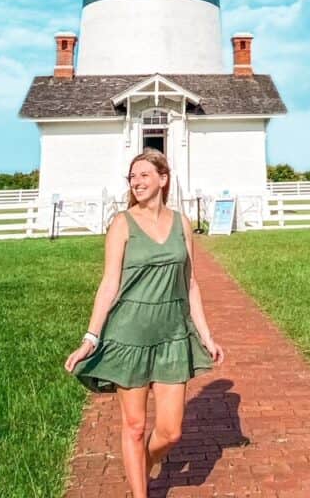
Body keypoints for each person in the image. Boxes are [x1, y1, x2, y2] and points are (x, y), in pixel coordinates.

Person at [64, 148, 225, 498]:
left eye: (144, 175)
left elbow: (191, 283)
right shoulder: (122, 223)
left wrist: (206, 335)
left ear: (163, 179)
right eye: (132, 176)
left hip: (171, 334)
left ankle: (140, 463)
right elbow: (109, 284)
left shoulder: (182, 223)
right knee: (135, 427)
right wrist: (90, 338)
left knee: (170, 432)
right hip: (129, 334)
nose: (136, 181)